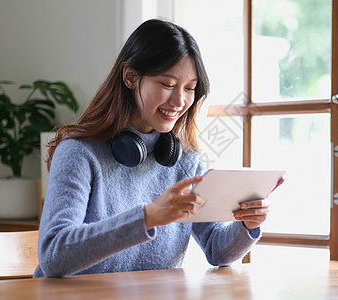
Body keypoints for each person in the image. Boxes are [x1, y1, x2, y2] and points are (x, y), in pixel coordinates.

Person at [34, 19, 279, 278]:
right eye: (168, 84)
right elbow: (53, 256)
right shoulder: (79, 153)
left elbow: (217, 250)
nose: (179, 101)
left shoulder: (186, 160)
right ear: (130, 77)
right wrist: (148, 217)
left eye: (190, 88)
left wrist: (246, 225)